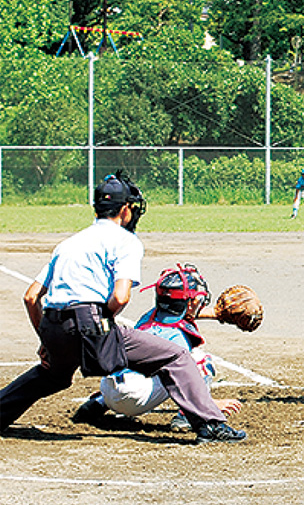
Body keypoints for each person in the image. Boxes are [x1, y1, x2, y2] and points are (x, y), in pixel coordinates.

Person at [0, 172, 246, 443]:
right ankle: (210, 425)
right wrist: (100, 324)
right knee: (174, 357)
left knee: (53, 375)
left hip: (53, 326)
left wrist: (47, 341)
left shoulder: (67, 244)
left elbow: (31, 297)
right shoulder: (125, 241)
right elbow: (121, 297)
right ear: (126, 209)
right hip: (90, 323)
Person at [72, 264, 243, 433]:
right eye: (197, 299)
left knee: (138, 366)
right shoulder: (179, 336)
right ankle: (189, 415)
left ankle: (98, 403)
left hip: (108, 389)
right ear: (189, 304)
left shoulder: (149, 316)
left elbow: (182, 311)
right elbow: (181, 378)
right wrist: (211, 403)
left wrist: (216, 314)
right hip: (136, 398)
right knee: (198, 362)